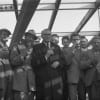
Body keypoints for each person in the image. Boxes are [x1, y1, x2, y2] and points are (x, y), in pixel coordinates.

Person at [31, 28, 66, 100]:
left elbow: (63, 60)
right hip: (43, 80)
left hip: (56, 79)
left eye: (49, 34)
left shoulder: (57, 47)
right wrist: (46, 56)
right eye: (45, 34)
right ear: (42, 36)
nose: (47, 36)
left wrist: (59, 63)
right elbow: (34, 63)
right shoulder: (36, 47)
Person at [10, 30, 37, 100]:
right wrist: (22, 55)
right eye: (29, 36)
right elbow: (13, 61)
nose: (31, 39)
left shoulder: (35, 48)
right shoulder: (17, 46)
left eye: (33, 38)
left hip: (31, 80)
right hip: (20, 79)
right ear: (25, 36)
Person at [0, 29, 13, 100]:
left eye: (7, 35)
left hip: (7, 73)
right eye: (4, 34)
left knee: (7, 92)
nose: (6, 36)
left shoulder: (7, 47)